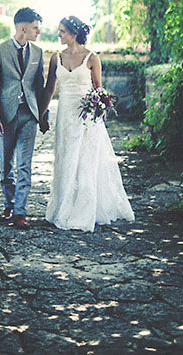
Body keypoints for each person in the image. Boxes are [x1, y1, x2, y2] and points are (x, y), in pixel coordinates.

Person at [40, 15, 134, 232]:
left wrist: (98, 109)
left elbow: (98, 90)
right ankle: (63, 207)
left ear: (74, 34)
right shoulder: (56, 58)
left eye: (62, 31)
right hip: (65, 115)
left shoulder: (92, 58)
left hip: (87, 118)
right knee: (66, 158)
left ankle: (84, 209)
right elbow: (49, 89)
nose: (58, 35)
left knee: (85, 162)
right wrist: (41, 115)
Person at [0, 7, 49, 230]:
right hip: (5, 117)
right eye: (35, 28)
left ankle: (20, 212)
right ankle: (9, 204)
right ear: (23, 28)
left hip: (28, 115)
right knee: (6, 167)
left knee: (24, 166)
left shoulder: (38, 53)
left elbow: (39, 87)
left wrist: (43, 116)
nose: (38, 32)